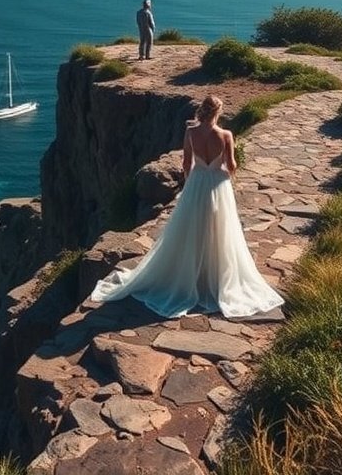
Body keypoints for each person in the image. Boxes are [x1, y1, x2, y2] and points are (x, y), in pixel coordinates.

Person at [91, 94, 284, 318]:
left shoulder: (191, 132)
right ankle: (213, 274)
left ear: (203, 110)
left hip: (197, 182)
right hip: (218, 184)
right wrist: (224, 171)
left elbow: (186, 163)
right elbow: (231, 165)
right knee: (220, 228)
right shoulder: (226, 135)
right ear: (218, 112)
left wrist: (191, 180)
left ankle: (190, 273)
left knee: (191, 226)